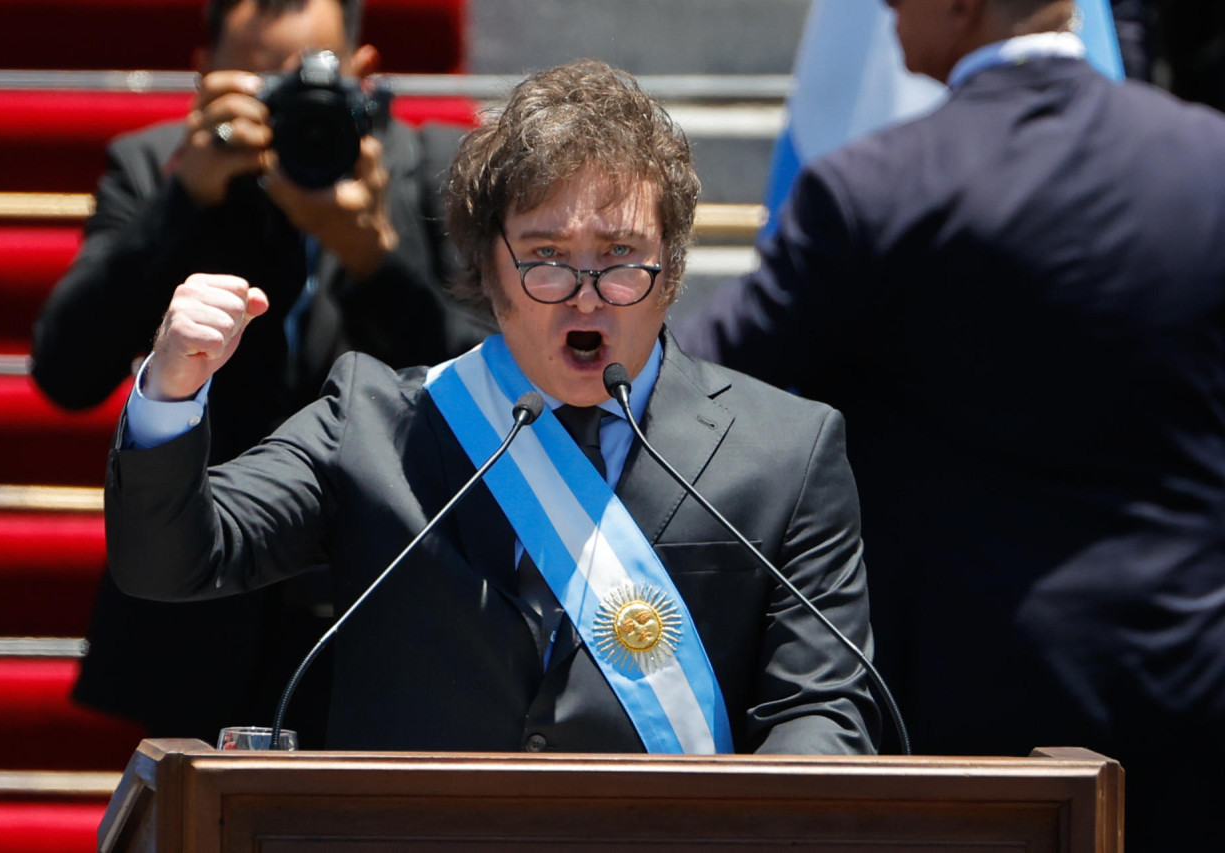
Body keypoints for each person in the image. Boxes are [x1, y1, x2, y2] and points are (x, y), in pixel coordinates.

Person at [102, 59, 880, 755]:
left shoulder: (786, 449)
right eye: (544, 257)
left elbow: (821, 709)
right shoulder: (375, 423)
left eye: (618, 258)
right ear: (488, 268)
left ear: (671, 271)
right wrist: (172, 390)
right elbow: (170, 559)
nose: (585, 293)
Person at [675, 0, 1225, 846]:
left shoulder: (875, 192)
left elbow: (703, 388)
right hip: (1193, 689)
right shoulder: (1207, 161)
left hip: (970, 719)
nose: (885, 7)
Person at [30, 0, 491, 745]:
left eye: (309, 77)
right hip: (200, 613)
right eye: (258, 78)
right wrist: (186, 199)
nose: (289, 103)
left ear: (363, 75)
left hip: (392, 604)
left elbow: (498, 377)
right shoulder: (157, 166)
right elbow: (64, 369)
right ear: (203, 74)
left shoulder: (437, 168)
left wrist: (373, 258)